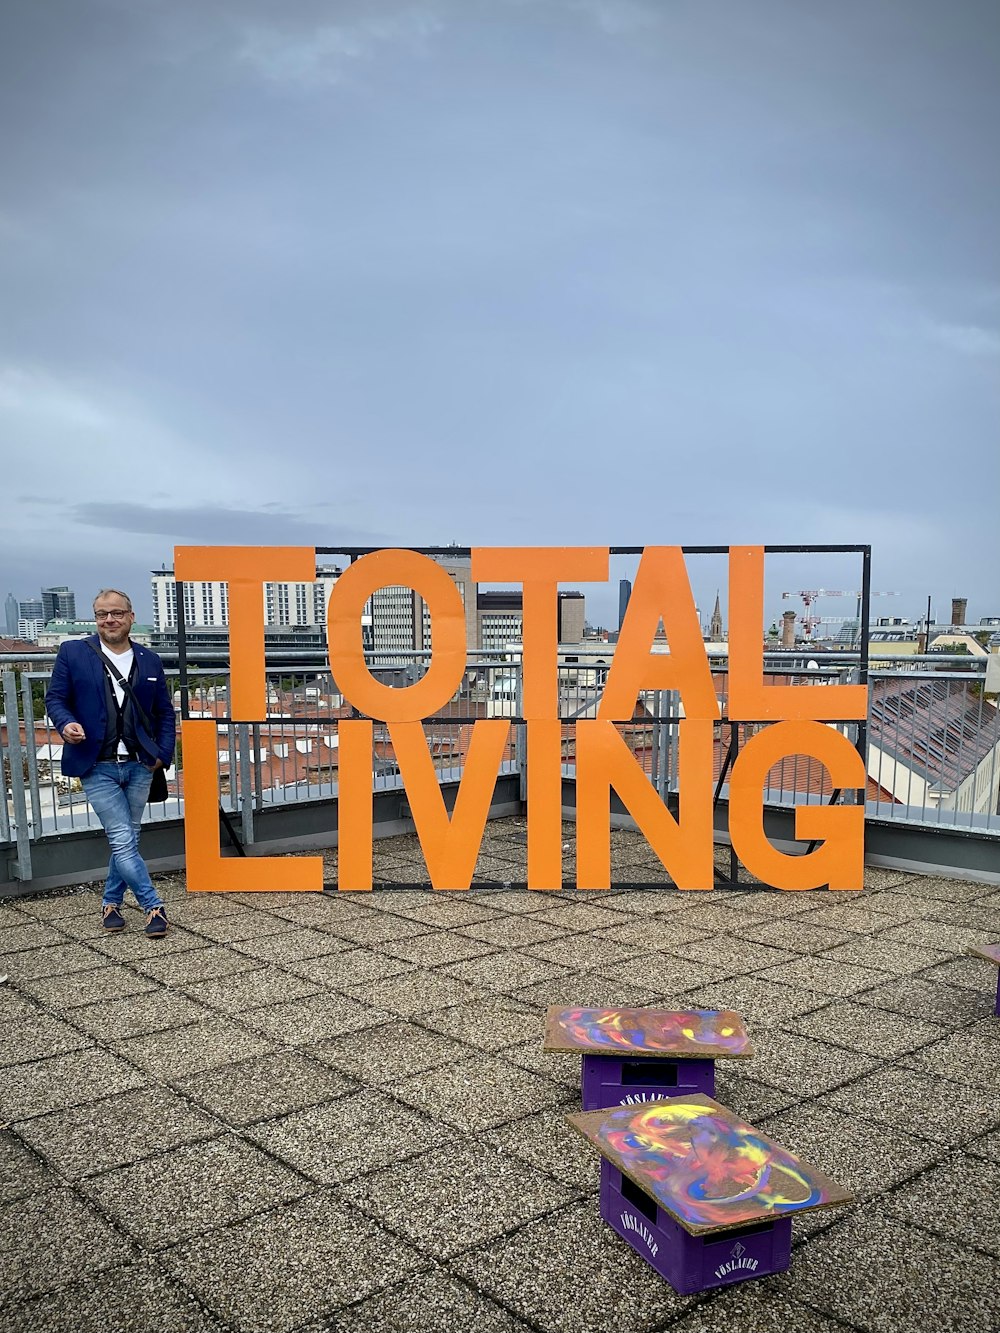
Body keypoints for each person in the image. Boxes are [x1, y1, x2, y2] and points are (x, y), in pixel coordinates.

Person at [45, 589, 176, 937]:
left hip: (139, 763)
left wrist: (162, 755)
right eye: (102, 614)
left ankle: (110, 903)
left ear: (131, 617)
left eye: (117, 613)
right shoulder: (74, 652)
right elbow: (56, 698)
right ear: (95, 618)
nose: (109, 620)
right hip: (95, 763)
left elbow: (164, 712)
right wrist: (64, 724)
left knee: (128, 837)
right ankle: (154, 907)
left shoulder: (149, 659)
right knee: (122, 838)